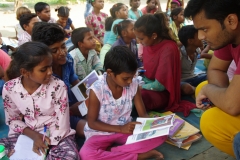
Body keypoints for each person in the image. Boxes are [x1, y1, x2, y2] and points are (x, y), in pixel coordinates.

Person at [79, 46, 167, 160]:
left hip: (126, 131)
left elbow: (143, 114)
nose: (130, 81)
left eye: (132, 76)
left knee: (162, 135)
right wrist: (120, 128)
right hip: (99, 134)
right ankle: (136, 155)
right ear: (110, 72)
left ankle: (112, 153)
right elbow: (92, 123)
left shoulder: (133, 84)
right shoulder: (97, 89)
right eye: (126, 78)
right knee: (86, 155)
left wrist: (153, 127)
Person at [0, 42, 79, 159]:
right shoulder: (10, 88)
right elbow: (13, 120)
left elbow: (62, 125)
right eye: (43, 69)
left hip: (57, 135)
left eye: (50, 66)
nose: (50, 72)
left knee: (69, 156)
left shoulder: (58, 86)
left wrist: (44, 145)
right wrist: (34, 136)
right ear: (25, 72)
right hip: (26, 133)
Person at [184, 0, 240, 158]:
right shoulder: (228, 37)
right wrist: (222, 98)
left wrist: (212, 91)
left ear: (231, 21)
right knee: (203, 86)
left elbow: (232, 105)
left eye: (205, 29)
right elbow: (215, 68)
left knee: (207, 100)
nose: (201, 36)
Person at [134, 13, 195, 116]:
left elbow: (160, 85)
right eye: (138, 38)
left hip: (163, 90)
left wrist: (140, 87)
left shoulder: (168, 48)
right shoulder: (148, 44)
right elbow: (150, 68)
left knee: (139, 97)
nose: (139, 42)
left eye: (141, 39)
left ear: (154, 35)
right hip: (147, 83)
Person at [31, 22, 86, 137]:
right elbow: (47, 112)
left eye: (63, 46)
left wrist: (87, 96)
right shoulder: (40, 77)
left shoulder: (68, 60)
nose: (62, 53)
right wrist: (71, 110)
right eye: (54, 51)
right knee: (90, 130)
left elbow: (74, 80)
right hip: (57, 116)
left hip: (70, 102)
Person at [178, 25, 207, 95]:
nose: (202, 37)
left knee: (212, 77)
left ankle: (197, 89)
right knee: (187, 89)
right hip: (182, 81)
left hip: (194, 77)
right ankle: (201, 89)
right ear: (190, 41)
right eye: (198, 35)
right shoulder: (179, 54)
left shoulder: (197, 50)